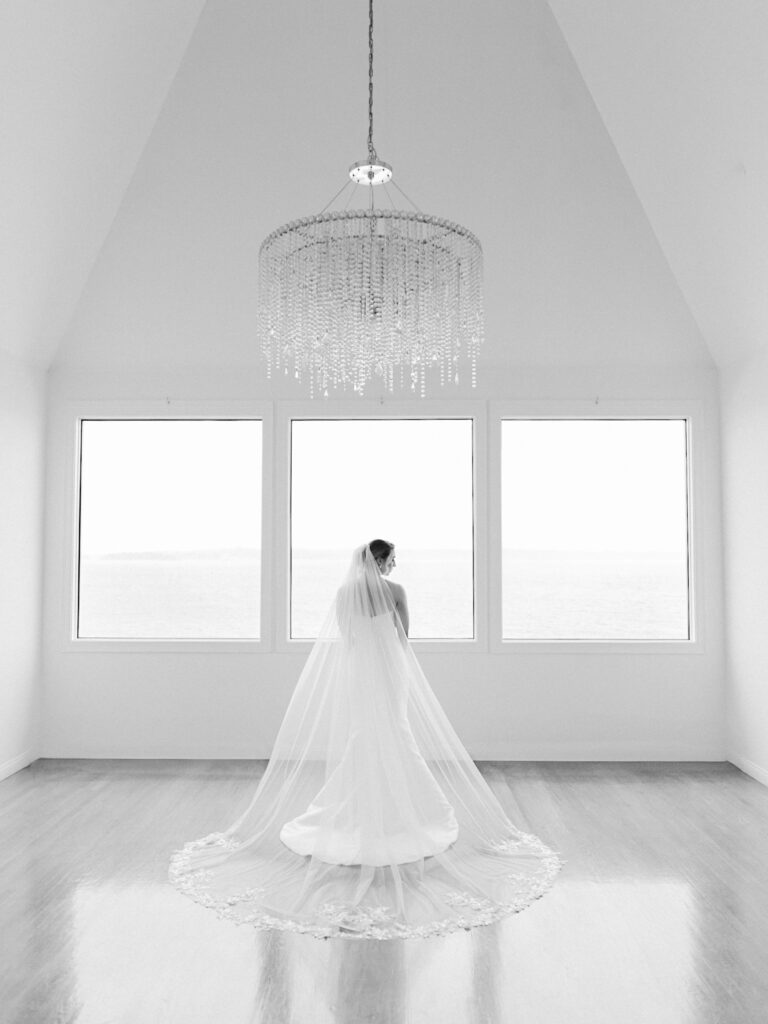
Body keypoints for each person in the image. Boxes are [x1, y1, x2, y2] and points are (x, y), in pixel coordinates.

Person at [169, 541, 562, 940]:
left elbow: (348, 639)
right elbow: (403, 638)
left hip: (361, 671)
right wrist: (386, 655)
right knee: (395, 730)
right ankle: (402, 810)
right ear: (380, 561)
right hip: (390, 670)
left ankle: (361, 807)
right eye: (391, 559)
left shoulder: (344, 594)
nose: (394, 565)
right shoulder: (396, 592)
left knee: (365, 734)